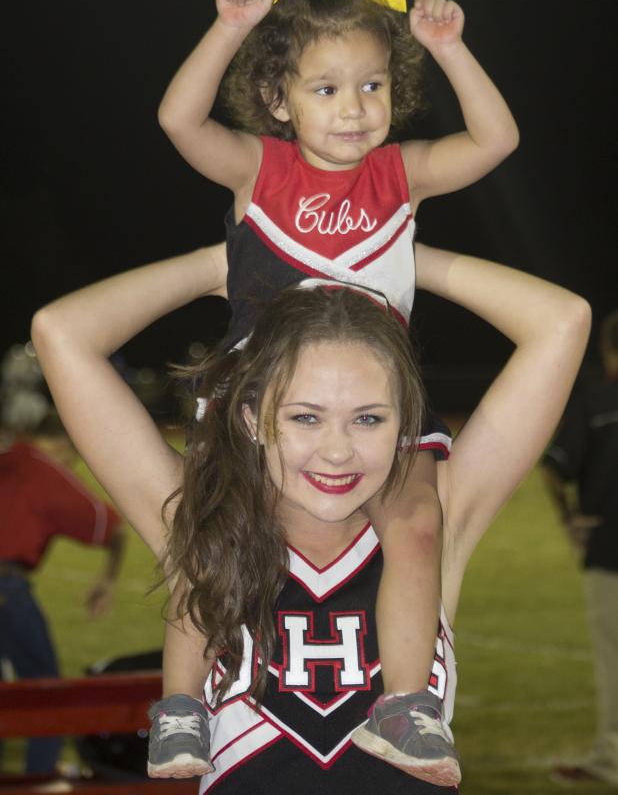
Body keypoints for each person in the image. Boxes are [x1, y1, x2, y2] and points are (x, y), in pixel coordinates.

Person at [31, 239, 589, 793]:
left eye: (368, 419)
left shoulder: (432, 523)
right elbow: (62, 334)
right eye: (306, 417)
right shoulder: (201, 520)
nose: (338, 451)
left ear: (405, 425)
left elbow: (563, 321)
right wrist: (231, 260)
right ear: (252, 418)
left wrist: (391, 255)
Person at [155, 0, 519, 781]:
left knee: (419, 526)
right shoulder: (259, 169)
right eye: (326, 89)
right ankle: (180, 705)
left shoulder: (401, 175)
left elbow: (496, 141)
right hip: (264, 403)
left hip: (372, 400)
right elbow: (178, 120)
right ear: (278, 98)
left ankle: (405, 706)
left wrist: (452, 49)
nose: (354, 108)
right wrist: (227, 27)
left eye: (373, 85)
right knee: (206, 538)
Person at [0, 412, 126, 775]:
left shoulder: (10, 455)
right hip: (6, 591)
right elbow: (113, 528)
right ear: (63, 445)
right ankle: (39, 777)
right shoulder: (45, 471)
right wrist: (106, 581)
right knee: (47, 695)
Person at [542, 309, 618, 787]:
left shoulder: (595, 397)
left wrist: (570, 519)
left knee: (614, 662)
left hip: (610, 551)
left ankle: (612, 758)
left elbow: (554, 465)